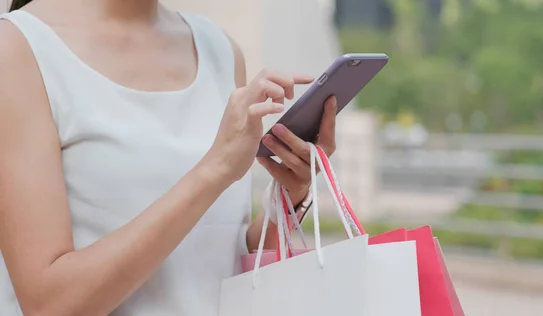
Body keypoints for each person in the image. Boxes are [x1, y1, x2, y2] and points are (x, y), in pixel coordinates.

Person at [0, 0, 338, 315]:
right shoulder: (18, 47)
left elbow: (221, 258)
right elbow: (49, 304)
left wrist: (287, 198)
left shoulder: (219, 49)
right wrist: (215, 169)